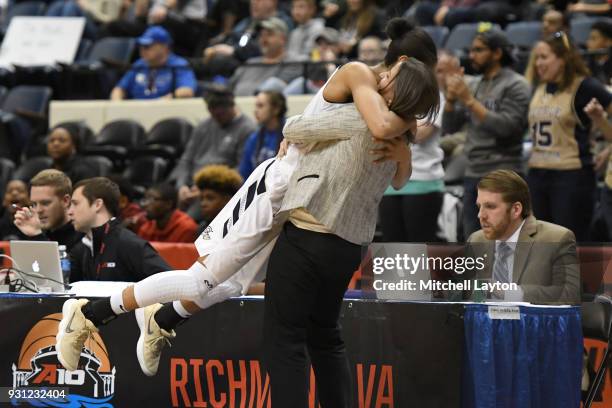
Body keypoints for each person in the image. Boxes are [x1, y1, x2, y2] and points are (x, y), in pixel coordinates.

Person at [54, 17, 438, 391]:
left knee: (231, 284)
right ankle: (89, 313)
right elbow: (359, 127)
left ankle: (162, 318)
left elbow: (396, 150)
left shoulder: (389, 107)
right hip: (276, 187)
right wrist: (408, 134)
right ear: (403, 64)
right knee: (202, 278)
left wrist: (405, 143)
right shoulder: (361, 78)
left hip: (303, 200)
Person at [442, 29, 531, 238]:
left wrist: (470, 101)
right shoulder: (473, 84)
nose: (472, 55)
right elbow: (450, 127)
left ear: (497, 53)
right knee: (475, 242)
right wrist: (452, 100)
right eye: (471, 50)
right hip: (474, 172)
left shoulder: (516, 84)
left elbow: (507, 128)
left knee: (507, 240)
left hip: (504, 172)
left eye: (479, 50)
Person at [527, 31, 611, 241]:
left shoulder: (584, 86)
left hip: (571, 177)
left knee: (569, 244)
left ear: (563, 59)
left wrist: (609, 149)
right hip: (538, 174)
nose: (538, 63)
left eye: (544, 57)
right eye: (537, 58)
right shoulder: (539, 87)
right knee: (540, 245)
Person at [466, 170, 580, 304]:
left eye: (490, 207)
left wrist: (508, 293)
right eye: (479, 207)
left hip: (533, 324)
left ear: (516, 210)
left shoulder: (557, 238)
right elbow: (467, 297)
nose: (480, 215)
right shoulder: (476, 240)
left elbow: (570, 295)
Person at [379, 49, 454, 243]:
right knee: (390, 251)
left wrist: (388, 126)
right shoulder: (387, 95)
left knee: (418, 251)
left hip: (423, 182)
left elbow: (419, 134)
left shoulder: (434, 96)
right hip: (387, 182)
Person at [67, 177, 170, 282]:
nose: (69, 212)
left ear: (97, 204)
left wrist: (132, 297)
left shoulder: (129, 244)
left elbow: (170, 283)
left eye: (75, 203)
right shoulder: (81, 249)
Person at [168, 87, 255, 205]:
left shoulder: (247, 129)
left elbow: (241, 169)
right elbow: (186, 159)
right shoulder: (203, 126)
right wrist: (181, 185)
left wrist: (207, 187)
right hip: (190, 186)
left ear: (231, 107)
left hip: (217, 191)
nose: (216, 118)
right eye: (212, 113)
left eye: (220, 114)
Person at [110, 26, 197, 100]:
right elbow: (119, 89)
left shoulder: (179, 65)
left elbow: (187, 91)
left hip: (166, 112)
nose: (142, 50)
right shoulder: (139, 65)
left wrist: (161, 102)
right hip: (136, 111)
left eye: (147, 46)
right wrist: (117, 103)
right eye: (141, 46)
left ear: (164, 47)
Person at [229, 17, 302, 96]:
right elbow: (229, 87)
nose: (264, 39)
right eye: (261, 35)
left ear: (283, 39)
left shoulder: (292, 63)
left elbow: (275, 91)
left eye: (269, 34)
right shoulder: (250, 63)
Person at [14, 170, 83, 252]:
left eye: (45, 203)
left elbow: (58, 264)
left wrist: (37, 236)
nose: (38, 210)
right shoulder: (36, 231)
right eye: (34, 204)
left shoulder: (83, 236)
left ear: (65, 201)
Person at [238, 90, 287, 179]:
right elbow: (244, 174)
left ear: (276, 109)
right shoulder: (254, 138)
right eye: (256, 106)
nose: (255, 111)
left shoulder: (290, 135)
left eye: (260, 106)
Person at [193, 164, 243, 234]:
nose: (203, 204)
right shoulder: (202, 228)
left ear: (227, 200)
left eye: (210, 198)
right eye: (201, 198)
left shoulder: (240, 228)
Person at [586, 20, 612, 86]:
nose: (588, 43)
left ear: (608, 42)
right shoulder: (586, 62)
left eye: (593, 39)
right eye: (589, 38)